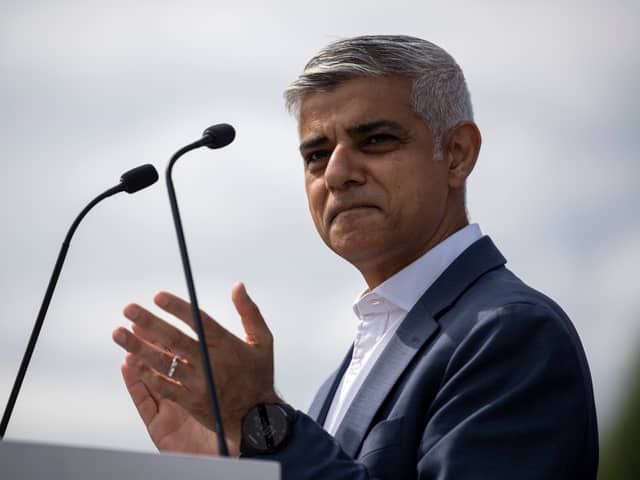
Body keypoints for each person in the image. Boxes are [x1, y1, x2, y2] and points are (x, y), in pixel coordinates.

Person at [112, 35, 598, 479]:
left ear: (456, 154)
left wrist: (258, 418)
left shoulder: (511, 333)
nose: (338, 173)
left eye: (376, 140)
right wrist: (240, 460)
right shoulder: (347, 370)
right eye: (316, 155)